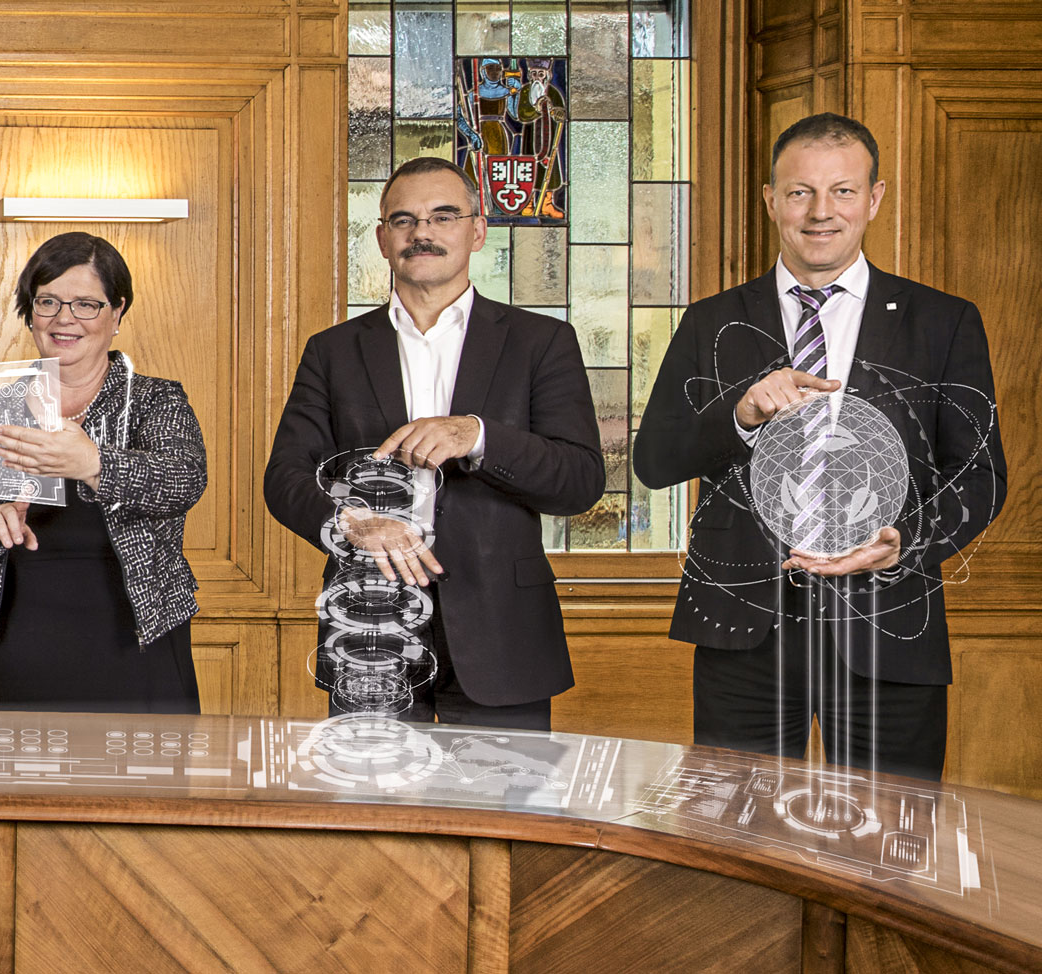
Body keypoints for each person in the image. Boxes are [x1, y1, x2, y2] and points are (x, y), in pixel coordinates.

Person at [633, 113, 1007, 779]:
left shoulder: (942, 322)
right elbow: (655, 461)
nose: (821, 212)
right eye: (801, 192)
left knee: (891, 833)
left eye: (843, 191)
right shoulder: (712, 321)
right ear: (771, 200)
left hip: (890, 624)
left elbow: (979, 476)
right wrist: (740, 415)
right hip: (743, 628)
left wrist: (905, 541)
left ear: (874, 198)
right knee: (737, 829)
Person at [261, 156, 604, 730]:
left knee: (502, 791)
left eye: (443, 217)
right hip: (369, 629)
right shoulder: (333, 350)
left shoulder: (542, 342)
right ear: (382, 238)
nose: (422, 232)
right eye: (404, 220)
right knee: (372, 790)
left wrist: (478, 436)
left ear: (478, 231)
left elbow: (580, 481)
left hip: (504, 630)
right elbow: (286, 478)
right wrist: (350, 522)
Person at [0, 232, 206, 713]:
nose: (64, 318)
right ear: (30, 312)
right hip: (23, 645)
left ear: (117, 313)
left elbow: (183, 479)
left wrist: (93, 464)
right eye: (47, 301)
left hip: (139, 645)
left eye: (86, 304)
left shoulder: (155, 400)